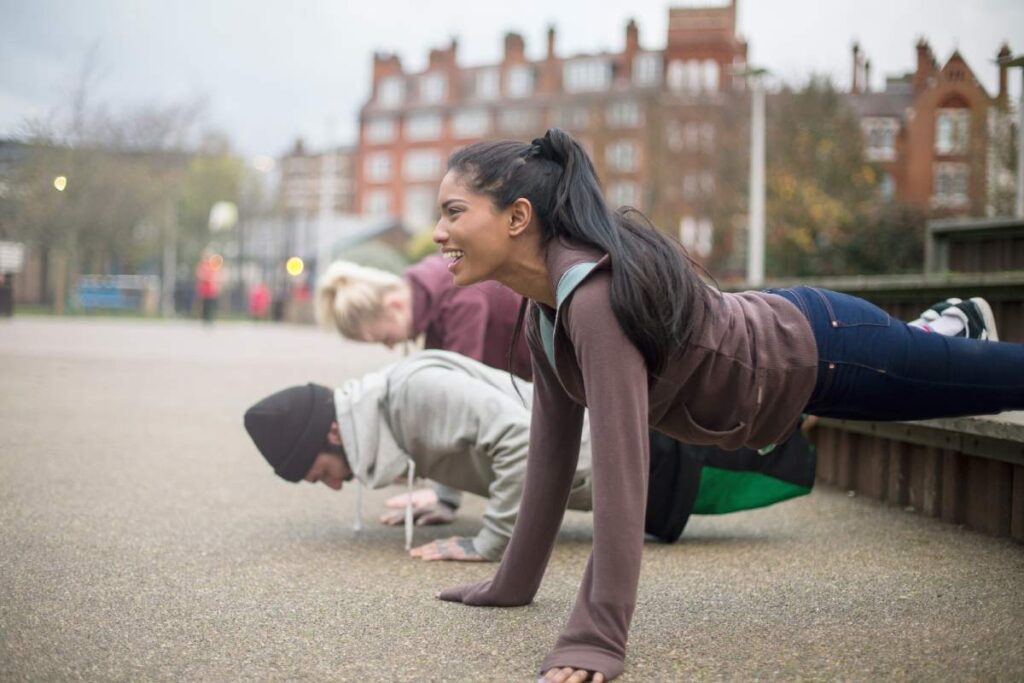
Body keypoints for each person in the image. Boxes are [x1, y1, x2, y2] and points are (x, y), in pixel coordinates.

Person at [428, 128, 1020, 683]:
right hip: (803, 354)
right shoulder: (546, 313)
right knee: (940, 367)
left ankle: (950, 332)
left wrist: (597, 636)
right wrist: (511, 583)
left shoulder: (594, 301)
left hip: (828, 352)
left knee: (1001, 380)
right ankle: (948, 327)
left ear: (517, 217)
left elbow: (621, 471)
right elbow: (552, 458)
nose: (438, 232)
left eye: (454, 212)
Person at [243, 350, 820, 561]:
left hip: (644, 460)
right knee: (778, 447)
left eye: (320, 476)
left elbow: (518, 436)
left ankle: (842, 389)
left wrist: (490, 542)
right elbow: (467, 437)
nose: (336, 488)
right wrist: (444, 495)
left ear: (335, 435)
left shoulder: (410, 397)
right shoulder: (389, 405)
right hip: (623, 468)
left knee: (788, 460)